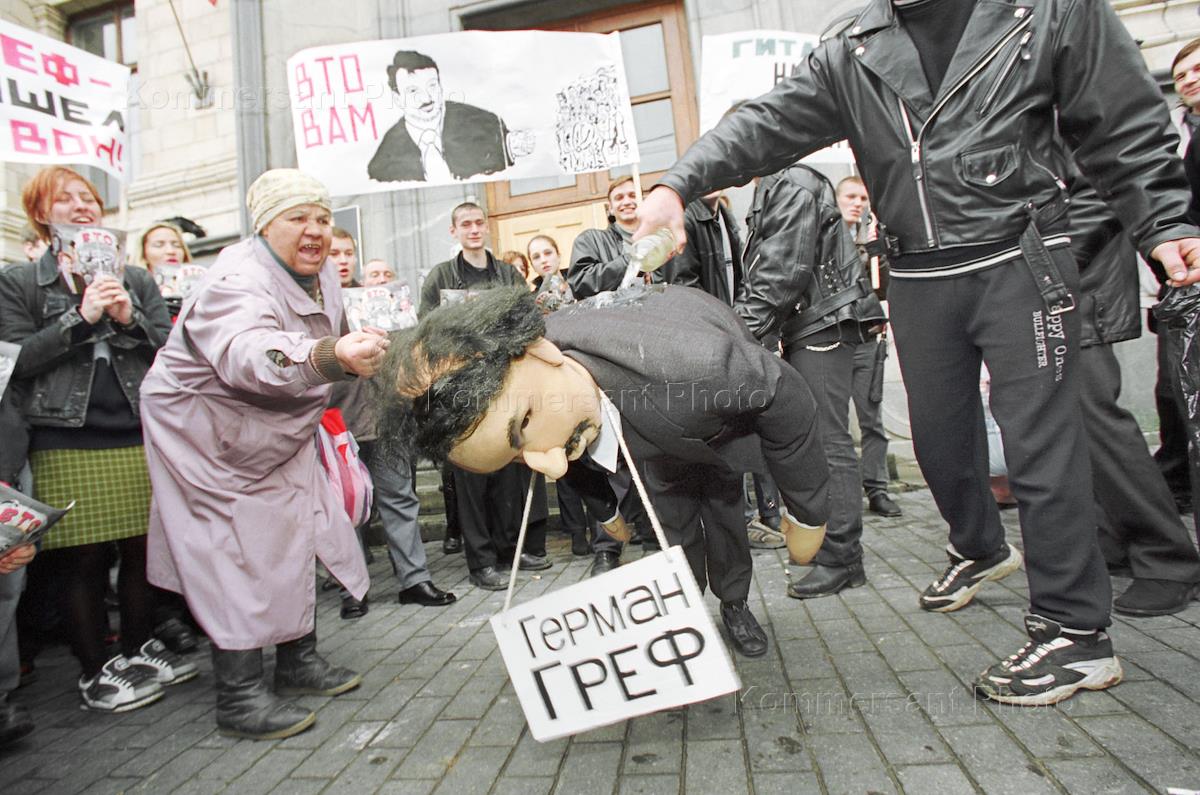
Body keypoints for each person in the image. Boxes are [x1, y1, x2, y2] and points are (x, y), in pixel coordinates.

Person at [633, 0, 1200, 705]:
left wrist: (1166, 219)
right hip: (919, 271)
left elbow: (1122, 118)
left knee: (1042, 446)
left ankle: (1075, 632)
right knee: (938, 440)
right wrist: (677, 183)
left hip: (1021, 254)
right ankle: (981, 547)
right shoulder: (853, 46)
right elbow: (766, 121)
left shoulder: (1047, 10)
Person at [380, 285, 830, 657]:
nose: (547, 463)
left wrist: (807, 513)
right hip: (655, 449)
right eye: (516, 459)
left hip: (716, 433)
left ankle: (735, 605)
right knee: (675, 532)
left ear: (544, 354)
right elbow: (568, 461)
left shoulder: (700, 367)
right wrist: (608, 512)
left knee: (725, 517)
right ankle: (689, 610)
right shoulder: (549, 406)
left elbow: (784, 394)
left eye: (523, 426)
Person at [139, 168, 385, 740]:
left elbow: (330, 333)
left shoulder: (323, 272)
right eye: (297, 218)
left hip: (275, 424)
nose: (314, 230)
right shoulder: (234, 280)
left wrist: (357, 349)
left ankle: (298, 661)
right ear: (264, 226)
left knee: (299, 530)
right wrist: (329, 356)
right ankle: (240, 696)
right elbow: (248, 353)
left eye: (322, 218)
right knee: (234, 554)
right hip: (206, 437)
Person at [0, 166, 193, 714]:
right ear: (41, 213)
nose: (83, 205)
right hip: (63, 435)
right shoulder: (20, 281)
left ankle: (137, 647)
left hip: (135, 428)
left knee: (140, 548)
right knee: (82, 558)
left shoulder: (135, 278)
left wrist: (130, 321)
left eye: (89, 198)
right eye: (66, 199)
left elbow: (170, 352)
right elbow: (16, 361)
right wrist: (79, 318)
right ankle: (94, 669)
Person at [737, 163, 889, 600]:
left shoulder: (791, 183)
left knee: (829, 442)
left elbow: (783, 271)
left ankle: (843, 557)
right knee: (823, 441)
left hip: (822, 324)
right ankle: (834, 549)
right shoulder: (779, 186)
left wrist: (737, 333)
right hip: (815, 323)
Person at [1066, 174, 1200, 616]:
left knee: (1095, 417)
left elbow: (1099, 190)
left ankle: (1168, 558)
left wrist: (1046, 265)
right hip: (1056, 280)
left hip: (1071, 281)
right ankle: (1115, 537)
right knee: (1073, 419)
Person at [417, 202, 544, 589]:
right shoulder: (441, 276)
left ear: (487, 227)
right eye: (465, 224)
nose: (473, 229)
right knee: (471, 476)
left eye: (478, 223)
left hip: (504, 382)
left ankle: (508, 551)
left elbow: (528, 318)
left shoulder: (506, 273)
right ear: (454, 231)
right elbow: (426, 327)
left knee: (506, 470)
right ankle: (481, 562)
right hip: (461, 388)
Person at [333, 256, 456, 612]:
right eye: (374, 274)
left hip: (390, 417)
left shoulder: (392, 311)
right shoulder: (326, 311)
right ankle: (353, 590)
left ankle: (414, 581)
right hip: (343, 422)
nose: (341, 260)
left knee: (400, 498)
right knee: (348, 507)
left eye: (387, 274)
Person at [835, 176, 902, 518]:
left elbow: (885, 288)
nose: (857, 203)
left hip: (867, 340)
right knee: (835, 425)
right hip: (834, 340)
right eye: (850, 196)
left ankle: (877, 489)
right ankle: (843, 491)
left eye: (863, 198)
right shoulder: (825, 240)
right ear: (836, 200)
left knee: (871, 420)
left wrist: (881, 253)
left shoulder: (871, 239)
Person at [367, 51, 532, 183]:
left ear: (440, 86)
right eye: (413, 91)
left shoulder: (486, 124)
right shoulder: (384, 161)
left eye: (432, 86)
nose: (426, 98)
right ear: (397, 99)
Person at [567, 177, 643, 298]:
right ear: (610, 208)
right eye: (619, 198)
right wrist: (630, 261)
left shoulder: (661, 239)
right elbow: (579, 283)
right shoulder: (590, 240)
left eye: (633, 195)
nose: (627, 202)